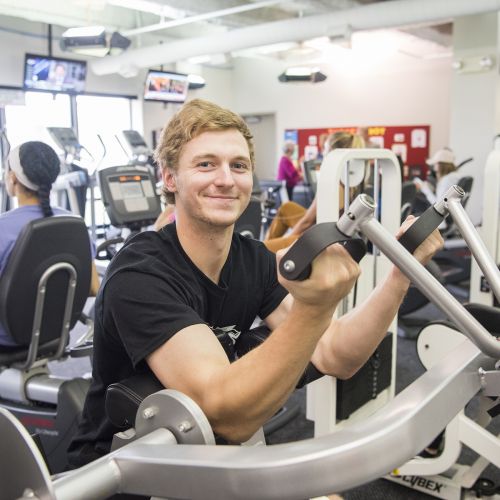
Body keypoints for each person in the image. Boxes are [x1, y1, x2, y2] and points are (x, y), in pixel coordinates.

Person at [68, 99, 442, 471]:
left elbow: (338, 356)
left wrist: (400, 274)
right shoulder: (140, 274)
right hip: (120, 472)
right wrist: (313, 311)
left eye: (239, 165)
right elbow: (225, 414)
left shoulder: (253, 259)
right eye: (205, 164)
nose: (226, 179)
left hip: (204, 458)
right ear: (169, 178)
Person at [0, 141, 100, 348]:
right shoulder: (74, 224)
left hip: (6, 338)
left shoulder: (3, 227)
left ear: (13, 178)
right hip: (55, 333)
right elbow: (93, 287)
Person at [265, 131, 365, 253]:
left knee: (262, 250)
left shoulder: (334, 185)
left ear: (334, 152)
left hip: (320, 240)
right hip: (323, 230)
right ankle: (270, 253)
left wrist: (285, 245)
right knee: (287, 207)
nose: (323, 153)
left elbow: (307, 222)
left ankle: (266, 254)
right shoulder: (350, 181)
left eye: (325, 149)